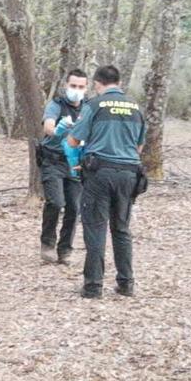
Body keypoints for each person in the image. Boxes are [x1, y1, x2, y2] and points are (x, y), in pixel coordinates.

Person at [68, 65, 146, 299]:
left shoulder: (94, 105)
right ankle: (126, 283)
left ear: (97, 83)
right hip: (128, 174)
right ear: (118, 82)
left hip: (100, 174)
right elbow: (139, 146)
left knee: (95, 227)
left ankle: (93, 286)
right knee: (121, 228)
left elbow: (73, 141)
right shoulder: (135, 107)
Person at [38, 69, 88, 265]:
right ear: (66, 85)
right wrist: (59, 128)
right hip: (53, 160)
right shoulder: (56, 105)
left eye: (80, 87)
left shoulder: (88, 108)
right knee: (56, 202)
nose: (76, 90)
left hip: (75, 162)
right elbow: (48, 127)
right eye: (73, 86)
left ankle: (65, 249)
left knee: (74, 208)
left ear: (86, 87)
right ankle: (47, 243)